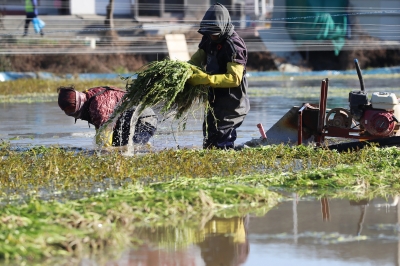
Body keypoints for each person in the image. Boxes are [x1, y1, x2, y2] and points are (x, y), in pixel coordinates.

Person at [187, 3, 250, 149]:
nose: (211, 36)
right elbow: (196, 60)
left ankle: (226, 167)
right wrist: (185, 70)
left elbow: (234, 78)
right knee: (209, 138)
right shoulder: (209, 39)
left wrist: (206, 79)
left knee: (222, 141)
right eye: (209, 33)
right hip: (214, 100)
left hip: (231, 103)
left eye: (214, 33)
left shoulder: (233, 45)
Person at [57, 85, 158, 147]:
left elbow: (104, 145)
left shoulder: (98, 107)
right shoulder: (89, 97)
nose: (70, 114)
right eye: (66, 112)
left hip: (144, 121)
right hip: (126, 123)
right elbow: (100, 132)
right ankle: (146, 146)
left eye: (71, 111)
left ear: (78, 104)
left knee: (129, 149)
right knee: (118, 147)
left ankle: (146, 148)